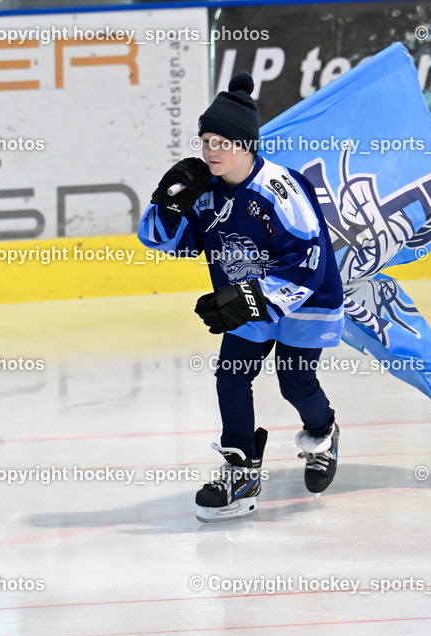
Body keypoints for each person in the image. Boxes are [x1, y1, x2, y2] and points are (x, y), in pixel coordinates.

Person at [139, 73, 344, 522]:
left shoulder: (278, 190)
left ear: (247, 145)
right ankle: (241, 469)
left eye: (222, 142)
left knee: (295, 382)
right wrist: (168, 205)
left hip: (307, 297)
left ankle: (323, 432)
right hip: (248, 295)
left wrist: (252, 301)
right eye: (206, 140)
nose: (211, 150)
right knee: (231, 376)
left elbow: (308, 262)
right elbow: (164, 242)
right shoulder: (206, 192)